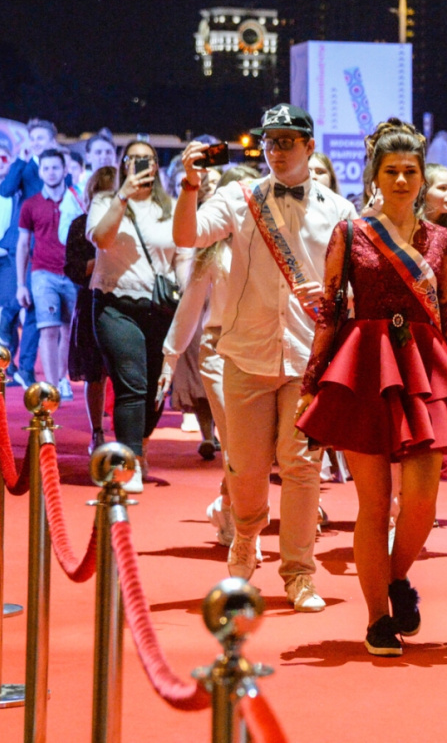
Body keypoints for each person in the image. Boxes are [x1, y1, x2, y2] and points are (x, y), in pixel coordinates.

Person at [296, 121, 447, 656]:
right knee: (374, 503)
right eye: (391, 171)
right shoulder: (351, 233)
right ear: (374, 177)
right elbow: (330, 310)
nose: (401, 179)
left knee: (422, 500)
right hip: (366, 365)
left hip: (425, 366)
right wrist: (312, 381)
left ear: (422, 177)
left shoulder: (441, 240)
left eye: (410, 171)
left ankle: (397, 577)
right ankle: (378, 619)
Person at [173, 104, 355, 612]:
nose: (276, 150)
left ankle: (299, 573)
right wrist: (189, 187)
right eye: (270, 141)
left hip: (307, 357)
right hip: (246, 354)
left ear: (310, 147)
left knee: (302, 467)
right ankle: (246, 535)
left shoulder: (340, 211)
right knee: (247, 467)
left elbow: (354, 286)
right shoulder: (239, 197)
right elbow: (187, 236)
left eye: (287, 141)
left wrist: (333, 297)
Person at [159, 164, 260, 551]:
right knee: (236, 443)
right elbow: (190, 305)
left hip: (261, 348)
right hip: (218, 350)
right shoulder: (213, 249)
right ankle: (245, 529)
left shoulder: (274, 246)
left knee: (252, 449)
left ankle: (227, 505)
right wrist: (171, 355)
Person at [87, 140, 191, 493]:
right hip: (114, 306)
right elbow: (101, 239)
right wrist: (122, 197)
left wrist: (187, 301)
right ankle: (127, 461)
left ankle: (140, 447)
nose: (141, 165)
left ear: (156, 166)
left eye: (147, 159)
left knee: (154, 388)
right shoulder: (105, 201)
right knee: (131, 383)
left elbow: (183, 257)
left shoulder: (170, 207)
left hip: (160, 309)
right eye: (134, 159)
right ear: (123, 164)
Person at [0, 118, 60, 387]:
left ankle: (25, 368)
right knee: (20, 300)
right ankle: (5, 330)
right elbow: (6, 190)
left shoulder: (58, 169)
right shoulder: (25, 167)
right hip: (21, 244)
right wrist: (20, 162)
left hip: (48, 246)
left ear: (52, 141)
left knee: (35, 308)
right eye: (32, 138)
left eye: (41, 139)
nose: (36, 143)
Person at [16, 148, 78, 401]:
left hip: (73, 274)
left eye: (55, 167)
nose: (51, 172)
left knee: (69, 331)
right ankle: (51, 388)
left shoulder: (77, 201)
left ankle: (63, 380)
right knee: (48, 331)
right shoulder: (30, 205)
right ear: (40, 172)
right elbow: (23, 245)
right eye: (46, 168)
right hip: (43, 274)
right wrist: (21, 284)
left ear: (65, 170)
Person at [65, 166, 116, 452]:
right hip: (92, 302)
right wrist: (105, 256)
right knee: (95, 373)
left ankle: (129, 435)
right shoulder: (80, 226)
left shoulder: (133, 225)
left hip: (127, 302)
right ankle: (97, 431)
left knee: (127, 374)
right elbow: (73, 270)